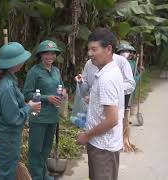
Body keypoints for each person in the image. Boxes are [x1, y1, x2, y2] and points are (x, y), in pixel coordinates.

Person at [0, 42, 41, 180]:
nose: (23, 62)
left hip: (2, 132)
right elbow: (13, 117)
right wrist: (29, 107)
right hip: (7, 135)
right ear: (15, 63)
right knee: (7, 171)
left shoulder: (4, 79)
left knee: (5, 166)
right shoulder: (6, 86)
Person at [76, 28, 124, 180]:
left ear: (108, 49)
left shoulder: (106, 79)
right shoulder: (110, 70)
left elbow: (112, 119)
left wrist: (86, 135)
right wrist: (94, 99)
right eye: (89, 49)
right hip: (106, 145)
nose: (90, 54)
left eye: (94, 49)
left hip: (103, 147)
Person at [23, 40, 67, 180]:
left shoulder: (56, 71)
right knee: (36, 150)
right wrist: (47, 98)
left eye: (52, 53)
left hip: (53, 116)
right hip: (39, 116)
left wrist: (64, 92)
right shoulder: (34, 72)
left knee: (46, 148)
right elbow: (27, 94)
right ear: (41, 55)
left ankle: (44, 174)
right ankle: (36, 176)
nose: (50, 56)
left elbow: (61, 87)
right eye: (46, 53)